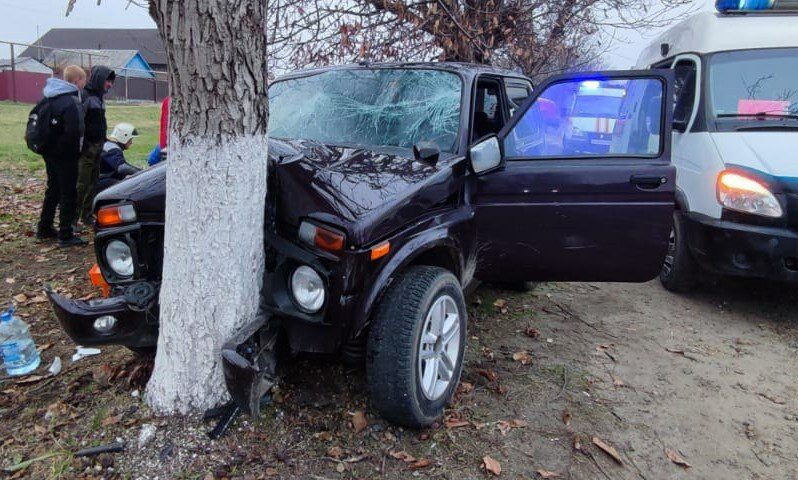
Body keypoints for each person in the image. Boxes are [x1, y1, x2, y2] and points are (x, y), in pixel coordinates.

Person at [36, 65, 87, 247]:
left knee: (53, 189)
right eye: (83, 80)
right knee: (68, 192)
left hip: (49, 151)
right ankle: (65, 233)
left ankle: (44, 226)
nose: (84, 83)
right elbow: (75, 130)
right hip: (65, 154)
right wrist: (75, 151)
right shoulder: (71, 101)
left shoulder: (48, 98)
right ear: (76, 81)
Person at [75, 65, 115, 225]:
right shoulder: (85, 96)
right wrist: (81, 146)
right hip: (86, 148)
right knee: (81, 184)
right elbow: (79, 123)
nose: (110, 85)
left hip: (98, 146)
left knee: (93, 182)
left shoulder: (99, 98)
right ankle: (72, 220)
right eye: (108, 81)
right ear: (99, 79)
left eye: (111, 82)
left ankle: (86, 215)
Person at [97, 123, 141, 191]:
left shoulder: (108, 145)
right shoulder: (112, 149)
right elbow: (122, 168)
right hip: (100, 181)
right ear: (124, 137)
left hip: (99, 180)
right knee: (128, 188)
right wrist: (141, 173)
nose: (131, 142)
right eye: (130, 139)